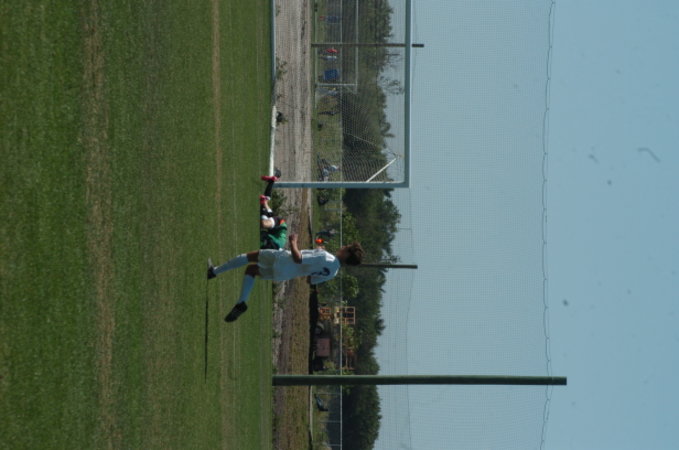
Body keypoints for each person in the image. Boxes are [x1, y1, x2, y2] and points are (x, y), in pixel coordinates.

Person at [207, 235, 364, 322]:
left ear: (347, 254)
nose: (344, 247)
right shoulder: (333, 272)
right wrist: (314, 258)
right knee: (252, 270)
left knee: (249, 257)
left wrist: (293, 242)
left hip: (284, 260)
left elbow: (298, 258)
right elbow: (310, 280)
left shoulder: (325, 256)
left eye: (347, 248)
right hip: (285, 274)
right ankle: (240, 303)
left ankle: (214, 272)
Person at [259, 175, 288, 250]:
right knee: (263, 224)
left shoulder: (275, 245)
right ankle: (264, 202)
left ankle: (271, 181)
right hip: (280, 224)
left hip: (274, 230)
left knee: (264, 210)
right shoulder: (276, 244)